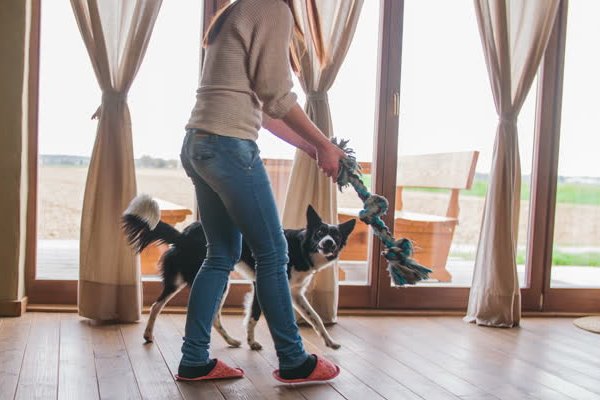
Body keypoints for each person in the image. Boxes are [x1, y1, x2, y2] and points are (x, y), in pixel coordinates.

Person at [177, 0, 346, 383]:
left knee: (220, 254)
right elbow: (276, 93)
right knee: (273, 253)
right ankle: (294, 360)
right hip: (228, 145)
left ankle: (194, 360)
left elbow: (265, 111)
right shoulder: (272, 9)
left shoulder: (240, 9)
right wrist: (323, 143)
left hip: (199, 143)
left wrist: (311, 147)